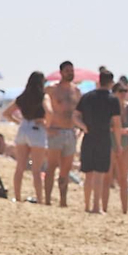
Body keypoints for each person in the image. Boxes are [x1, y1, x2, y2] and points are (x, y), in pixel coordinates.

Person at [75, 68, 121, 215]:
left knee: (88, 173)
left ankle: (87, 205)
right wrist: (118, 144)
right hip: (103, 137)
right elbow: (117, 123)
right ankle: (96, 206)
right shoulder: (113, 100)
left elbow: (75, 116)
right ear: (111, 83)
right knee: (99, 174)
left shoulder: (87, 97)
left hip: (88, 136)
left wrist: (83, 127)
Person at [5, 71, 50, 204]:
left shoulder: (23, 97)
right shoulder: (43, 97)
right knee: (36, 169)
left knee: (20, 167)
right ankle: (40, 199)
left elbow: (7, 113)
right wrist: (47, 123)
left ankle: (17, 196)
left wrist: (19, 121)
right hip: (37, 128)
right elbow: (50, 111)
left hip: (24, 127)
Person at [43, 61, 81, 207]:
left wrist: (79, 128)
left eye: (72, 71)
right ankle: (47, 199)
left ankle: (63, 200)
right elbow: (41, 108)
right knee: (51, 167)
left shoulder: (76, 91)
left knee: (66, 169)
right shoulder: (52, 89)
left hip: (70, 132)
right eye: (67, 71)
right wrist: (46, 127)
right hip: (55, 131)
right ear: (61, 72)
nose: (70, 73)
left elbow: (79, 112)